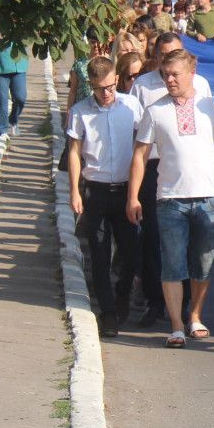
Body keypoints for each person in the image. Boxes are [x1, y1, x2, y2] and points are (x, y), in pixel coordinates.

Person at [126, 51, 214, 348]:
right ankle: (177, 326)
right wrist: (133, 197)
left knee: (202, 263)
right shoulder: (155, 111)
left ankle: (195, 315)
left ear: (191, 73)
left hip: (207, 196)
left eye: (175, 74)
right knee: (172, 264)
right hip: (170, 198)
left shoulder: (211, 106)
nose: (169, 80)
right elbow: (140, 155)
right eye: (166, 74)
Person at [67, 56, 142, 337]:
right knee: (99, 253)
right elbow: (74, 152)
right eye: (100, 89)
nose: (107, 93)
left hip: (125, 191)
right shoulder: (80, 112)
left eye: (111, 86)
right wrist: (75, 190)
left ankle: (122, 295)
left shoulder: (131, 106)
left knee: (131, 252)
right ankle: (108, 313)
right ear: (92, 86)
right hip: (95, 190)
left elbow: (142, 146)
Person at [0, 40, 29, 140]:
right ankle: (1, 131)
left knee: (21, 97)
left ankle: (13, 120)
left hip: (19, 65)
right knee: (1, 99)